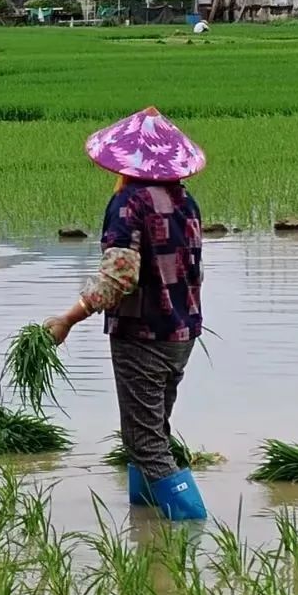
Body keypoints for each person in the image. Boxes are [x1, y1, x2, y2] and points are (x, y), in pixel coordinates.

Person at [44, 107, 207, 522]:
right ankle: (146, 524)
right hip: (182, 335)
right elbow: (193, 270)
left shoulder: (128, 203)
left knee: (146, 441)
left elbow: (119, 277)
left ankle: (193, 528)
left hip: (143, 336)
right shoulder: (185, 200)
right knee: (154, 431)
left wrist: (68, 318)